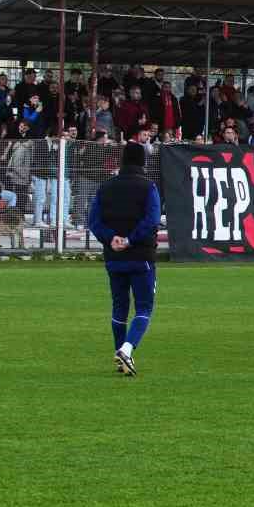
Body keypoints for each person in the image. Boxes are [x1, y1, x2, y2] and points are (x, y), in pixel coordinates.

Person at [87, 143, 161, 376]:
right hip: (141, 256)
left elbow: (94, 221)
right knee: (144, 307)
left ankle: (120, 357)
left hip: (114, 257)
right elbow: (152, 220)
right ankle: (127, 350)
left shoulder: (105, 187)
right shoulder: (148, 187)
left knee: (119, 307)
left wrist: (112, 239)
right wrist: (130, 239)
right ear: (142, 162)